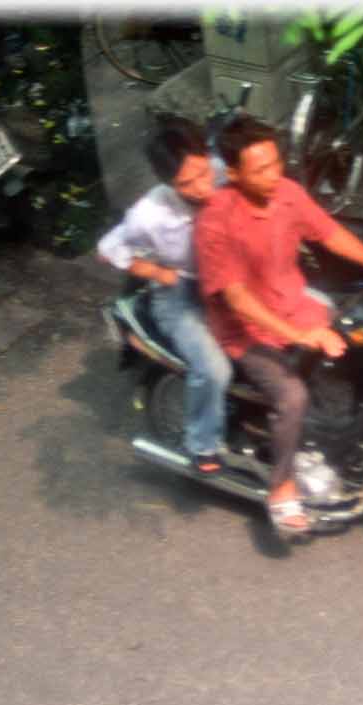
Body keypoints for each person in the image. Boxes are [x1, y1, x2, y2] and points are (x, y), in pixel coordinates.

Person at [193, 117, 363, 538]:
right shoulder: (215, 222)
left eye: (276, 164)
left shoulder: (288, 194)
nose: (273, 176)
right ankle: (282, 488)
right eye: (260, 170)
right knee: (292, 395)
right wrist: (301, 337)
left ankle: (349, 438)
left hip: (297, 306)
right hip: (247, 331)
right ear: (233, 174)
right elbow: (238, 299)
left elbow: (328, 233)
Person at [98, 117, 233, 474]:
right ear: (167, 182)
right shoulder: (148, 214)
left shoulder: (223, 170)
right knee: (214, 368)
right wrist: (158, 273)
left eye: (203, 174)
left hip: (230, 281)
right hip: (180, 294)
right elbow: (109, 249)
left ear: (208, 155)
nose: (202, 188)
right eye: (185, 184)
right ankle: (201, 444)